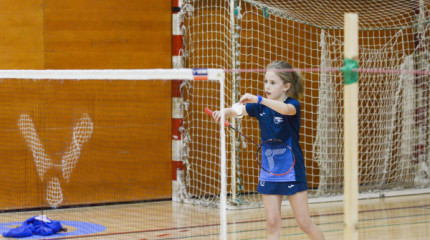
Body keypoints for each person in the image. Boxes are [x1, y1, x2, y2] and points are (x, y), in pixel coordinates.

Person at [211, 61, 325, 240]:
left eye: (273, 83)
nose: (267, 86)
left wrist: (260, 99)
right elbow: (236, 110)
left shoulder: (293, 104)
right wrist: (223, 112)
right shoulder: (259, 107)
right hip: (269, 172)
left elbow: (286, 110)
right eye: (265, 82)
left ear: (287, 86)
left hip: (292, 172)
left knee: (304, 223)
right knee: (272, 223)